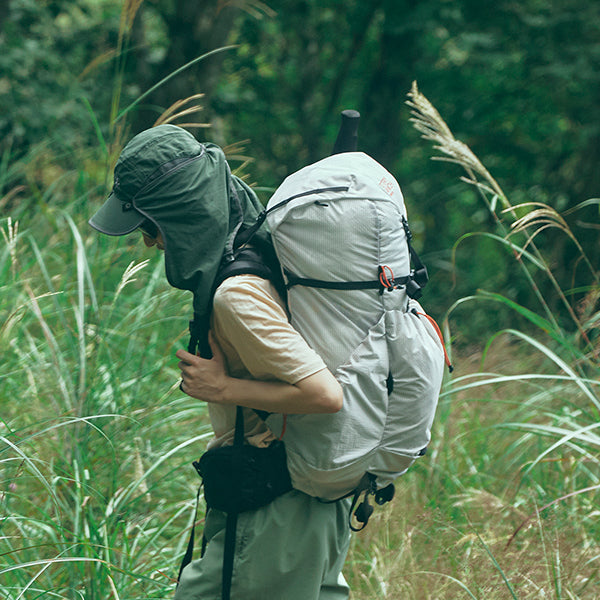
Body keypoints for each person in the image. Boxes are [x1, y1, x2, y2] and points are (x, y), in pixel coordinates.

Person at [89, 124, 352, 600]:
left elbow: (324, 395)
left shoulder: (237, 294)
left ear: (181, 216)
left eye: (150, 226)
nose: (150, 243)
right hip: (306, 504)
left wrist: (221, 388)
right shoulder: (260, 248)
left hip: (275, 508)